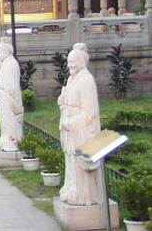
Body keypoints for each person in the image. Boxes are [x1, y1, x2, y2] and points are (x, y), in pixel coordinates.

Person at [58, 43, 101, 205]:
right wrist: (62, 103)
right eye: (68, 62)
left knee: (78, 163)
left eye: (73, 62)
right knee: (70, 161)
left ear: (82, 62)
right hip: (69, 125)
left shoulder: (86, 80)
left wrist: (72, 123)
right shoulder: (72, 78)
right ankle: (71, 189)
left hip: (81, 129)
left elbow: (90, 112)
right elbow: (69, 102)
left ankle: (83, 195)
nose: (70, 65)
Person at [0, 37, 23, 152]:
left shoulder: (10, 64)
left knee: (10, 120)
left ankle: (12, 141)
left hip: (8, 97)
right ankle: (6, 138)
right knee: (5, 120)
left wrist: (16, 105)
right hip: (4, 95)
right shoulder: (4, 63)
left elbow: (12, 87)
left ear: (6, 52)